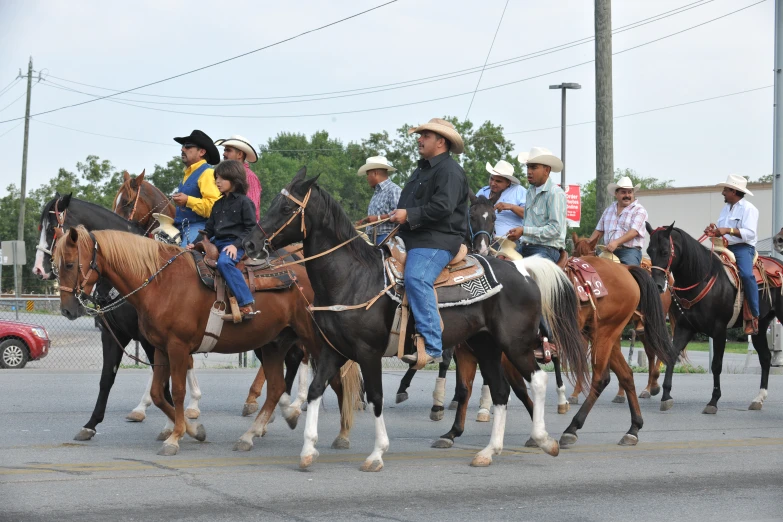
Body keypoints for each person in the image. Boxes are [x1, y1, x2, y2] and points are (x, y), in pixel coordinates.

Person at [390, 118, 468, 366]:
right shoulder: (421, 169)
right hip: (410, 237)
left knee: (417, 278)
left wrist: (409, 215)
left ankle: (433, 345)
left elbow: (443, 207)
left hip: (437, 240)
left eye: (425, 135)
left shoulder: (450, 171)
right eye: (420, 135)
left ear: (441, 142)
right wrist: (396, 216)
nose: (419, 139)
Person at [187, 160, 259, 319]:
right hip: (216, 243)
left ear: (234, 179)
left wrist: (235, 246)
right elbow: (208, 230)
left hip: (235, 244)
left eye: (221, 178)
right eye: (216, 178)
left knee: (225, 263)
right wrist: (195, 243)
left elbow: (251, 229)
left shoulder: (245, 202)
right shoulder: (218, 204)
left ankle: (246, 304)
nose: (217, 182)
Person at [704, 174, 760, 335]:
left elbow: (750, 234)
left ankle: (753, 316)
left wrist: (727, 230)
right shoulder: (725, 208)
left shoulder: (749, 209)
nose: (723, 192)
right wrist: (714, 231)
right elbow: (722, 230)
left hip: (743, 248)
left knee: (747, 275)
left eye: (726, 190)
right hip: (724, 247)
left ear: (734, 192)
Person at [507, 147, 566, 263]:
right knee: (500, 264)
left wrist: (524, 231)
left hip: (547, 249)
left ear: (546, 170)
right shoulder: (530, 191)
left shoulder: (555, 193)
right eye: (528, 167)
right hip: (526, 246)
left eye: (534, 167)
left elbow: (555, 229)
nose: (529, 171)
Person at [172, 130, 221, 247]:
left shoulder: (207, 173)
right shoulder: (187, 174)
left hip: (200, 227)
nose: (182, 149)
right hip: (180, 226)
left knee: (183, 256)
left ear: (202, 152)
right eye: (183, 146)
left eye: (188, 146)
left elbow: (214, 208)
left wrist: (188, 200)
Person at [588, 176, 649, 266]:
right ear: (616, 194)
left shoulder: (639, 210)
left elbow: (634, 232)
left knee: (629, 274)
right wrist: (587, 244)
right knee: (592, 270)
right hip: (607, 252)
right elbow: (599, 230)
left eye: (630, 192)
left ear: (633, 194)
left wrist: (616, 242)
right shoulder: (608, 210)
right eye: (623, 192)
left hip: (629, 252)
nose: (627, 195)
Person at [355, 156, 402, 245]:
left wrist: (377, 218)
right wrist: (366, 220)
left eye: (368, 174)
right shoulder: (377, 193)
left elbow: (400, 216)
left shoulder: (394, 190)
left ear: (375, 173)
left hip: (386, 238)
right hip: (372, 238)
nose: (367, 178)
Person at [215, 135, 262, 220]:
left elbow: (251, 209)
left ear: (240, 154)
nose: (224, 153)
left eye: (228, 150)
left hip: (243, 228)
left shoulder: (249, 176)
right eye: (225, 150)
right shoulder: (224, 175)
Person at [476, 159, 526, 237]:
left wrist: (511, 206)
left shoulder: (519, 191)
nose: (492, 183)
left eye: (498, 181)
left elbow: (529, 216)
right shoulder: (483, 192)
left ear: (508, 182)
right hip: (481, 238)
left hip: (509, 240)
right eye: (491, 179)